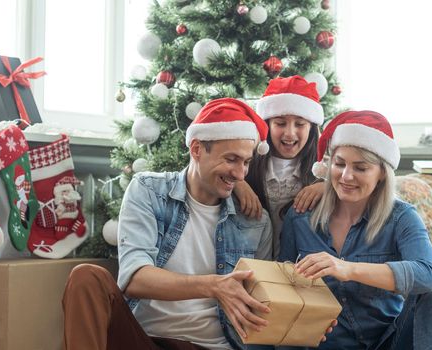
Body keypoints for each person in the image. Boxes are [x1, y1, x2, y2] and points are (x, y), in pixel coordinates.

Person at [62, 98, 275, 350]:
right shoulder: (149, 191)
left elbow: (265, 304)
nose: (240, 174)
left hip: (213, 346)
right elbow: (134, 279)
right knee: (87, 277)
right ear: (196, 149)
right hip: (143, 340)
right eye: (231, 159)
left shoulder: (255, 221)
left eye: (246, 162)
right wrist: (214, 286)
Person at [278, 110, 432, 349]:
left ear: (382, 172)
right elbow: (283, 287)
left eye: (360, 168)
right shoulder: (300, 218)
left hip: (388, 342)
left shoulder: (401, 217)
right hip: (325, 344)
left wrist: (348, 268)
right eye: (339, 164)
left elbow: (426, 275)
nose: (346, 176)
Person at [235, 75, 325, 258]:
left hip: (298, 266)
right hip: (251, 259)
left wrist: (327, 187)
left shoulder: (323, 170)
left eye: (300, 124)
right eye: (280, 123)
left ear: (311, 127)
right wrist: (238, 183)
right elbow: (211, 169)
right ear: (267, 124)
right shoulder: (246, 162)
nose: (290, 133)